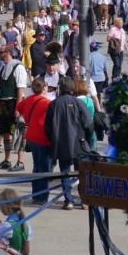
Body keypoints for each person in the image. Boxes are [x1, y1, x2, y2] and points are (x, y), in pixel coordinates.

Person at [44, 79, 91, 210]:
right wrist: (86, 139)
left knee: (65, 172)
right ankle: (84, 201)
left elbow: (47, 127)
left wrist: (53, 139)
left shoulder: (53, 104)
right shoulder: (79, 103)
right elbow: (88, 124)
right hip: (79, 143)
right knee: (81, 173)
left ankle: (68, 200)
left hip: (61, 143)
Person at [17, 79, 54, 205]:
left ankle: (35, 195)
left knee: (36, 166)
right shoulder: (48, 103)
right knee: (45, 168)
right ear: (44, 88)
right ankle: (43, 197)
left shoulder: (29, 99)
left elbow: (19, 108)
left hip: (32, 137)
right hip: (44, 138)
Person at [0, 46, 28, 172]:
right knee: (6, 132)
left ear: (7, 53)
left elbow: (20, 89)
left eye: (1, 52)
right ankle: (7, 161)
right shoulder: (3, 68)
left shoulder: (18, 67)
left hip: (14, 103)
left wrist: (18, 108)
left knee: (18, 132)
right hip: (4, 103)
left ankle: (20, 162)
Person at [0, 188, 32, 255]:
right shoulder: (26, 223)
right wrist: (0, 224)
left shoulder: (6, 226)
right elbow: (26, 252)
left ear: (5, 206)